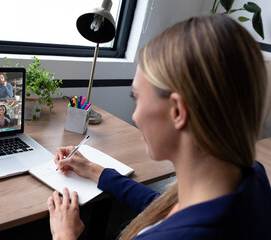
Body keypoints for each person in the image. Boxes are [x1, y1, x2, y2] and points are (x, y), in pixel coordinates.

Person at [47, 15, 271, 240]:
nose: (135, 115)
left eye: (137, 98)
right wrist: (94, 169)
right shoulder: (252, 176)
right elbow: (163, 208)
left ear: (177, 111)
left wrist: (64, 236)